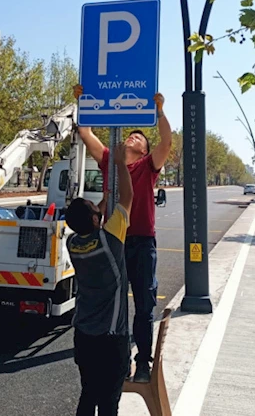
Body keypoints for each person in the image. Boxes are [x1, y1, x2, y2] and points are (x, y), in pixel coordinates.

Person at [73, 84, 172, 383]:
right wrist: (83, 102)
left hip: (141, 242)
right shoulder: (108, 161)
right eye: (131, 134)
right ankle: (118, 360)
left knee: (144, 304)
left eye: (139, 136)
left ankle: (143, 362)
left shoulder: (148, 166)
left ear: (143, 149)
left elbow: (166, 141)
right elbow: (85, 133)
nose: (133, 136)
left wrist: (160, 110)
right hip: (113, 241)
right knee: (113, 304)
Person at [66, 144, 133, 416]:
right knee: (109, 403)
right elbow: (128, 197)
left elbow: (90, 220)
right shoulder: (110, 241)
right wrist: (120, 164)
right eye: (97, 210)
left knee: (89, 393)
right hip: (111, 339)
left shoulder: (73, 243)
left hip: (84, 336)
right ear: (96, 219)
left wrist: (103, 199)